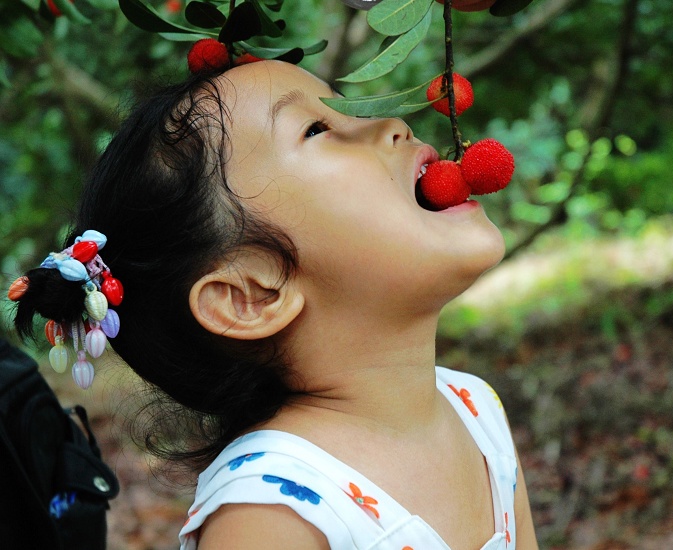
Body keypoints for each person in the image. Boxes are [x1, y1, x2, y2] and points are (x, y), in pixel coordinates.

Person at [11, 59, 537, 549]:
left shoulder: (475, 410)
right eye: (317, 130)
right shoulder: (273, 512)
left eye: (343, 105)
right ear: (252, 296)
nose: (391, 123)